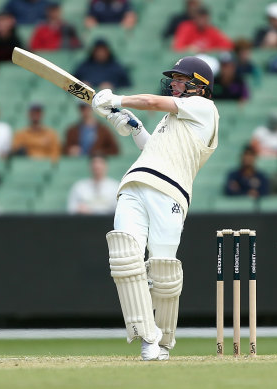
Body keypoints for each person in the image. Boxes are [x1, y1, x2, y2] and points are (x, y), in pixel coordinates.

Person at [91, 56, 219, 360]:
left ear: (199, 87)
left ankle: (162, 343)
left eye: (180, 79)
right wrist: (134, 129)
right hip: (135, 182)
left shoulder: (205, 109)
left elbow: (150, 101)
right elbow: (156, 151)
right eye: (172, 79)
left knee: (162, 268)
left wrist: (116, 98)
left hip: (170, 193)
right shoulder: (171, 119)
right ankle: (148, 338)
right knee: (125, 255)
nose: (173, 84)